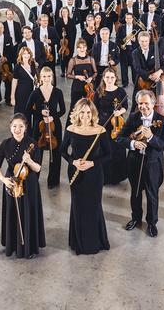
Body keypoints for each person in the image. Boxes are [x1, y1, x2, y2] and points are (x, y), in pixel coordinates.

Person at [116, 90, 164, 237]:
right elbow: (120, 138)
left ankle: (152, 223)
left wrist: (151, 137)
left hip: (153, 164)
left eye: (146, 103)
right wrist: (133, 143)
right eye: (140, 103)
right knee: (135, 192)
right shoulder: (133, 117)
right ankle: (136, 218)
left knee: (152, 194)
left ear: (153, 104)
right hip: (134, 161)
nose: (143, 106)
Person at [59, 99, 111, 255]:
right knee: (78, 206)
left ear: (93, 113)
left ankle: (94, 242)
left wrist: (92, 163)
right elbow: (62, 151)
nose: (85, 115)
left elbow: (108, 154)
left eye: (88, 112)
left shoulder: (100, 130)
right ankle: (78, 242)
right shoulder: (71, 129)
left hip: (94, 174)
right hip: (76, 172)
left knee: (94, 206)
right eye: (82, 112)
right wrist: (73, 161)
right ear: (77, 113)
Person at [0, 114, 45, 259]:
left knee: (28, 213)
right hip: (12, 183)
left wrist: (30, 161)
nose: (17, 129)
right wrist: (4, 180)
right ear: (10, 127)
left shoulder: (32, 143)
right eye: (14, 126)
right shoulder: (5, 144)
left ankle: (29, 248)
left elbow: (38, 168)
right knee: (13, 212)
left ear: (25, 128)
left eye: (21, 126)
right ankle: (13, 245)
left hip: (29, 184)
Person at [26, 67, 65, 188]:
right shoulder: (35, 92)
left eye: (49, 76)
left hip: (54, 126)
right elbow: (27, 109)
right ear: (40, 78)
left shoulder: (58, 92)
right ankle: (34, 178)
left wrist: (53, 117)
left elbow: (63, 110)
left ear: (52, 77)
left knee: (56, 153)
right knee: (37, 152)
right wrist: (40, 113)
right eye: (44, 76)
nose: (47, 79)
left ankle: (53, 181)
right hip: (39, 125)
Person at [92, 67, 128, 184]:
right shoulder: (99, 91)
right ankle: (104, 177)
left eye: (112, 77)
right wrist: (97, 121)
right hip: (103, 124)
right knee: (104, 150)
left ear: (115, 78)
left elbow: (125, 107)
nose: (109, 79)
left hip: (117, 125)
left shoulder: (121, 91)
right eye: (107, 77)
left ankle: (116, 178)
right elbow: (95, 109)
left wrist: (120, 112)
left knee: (117, 150)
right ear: (103, 78)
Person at [66, 39, 97, 112]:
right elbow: (68, 74)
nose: (82, 49)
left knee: (90, 106)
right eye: (80, 47)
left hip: (89, 86)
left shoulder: (91, 59)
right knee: (74, 107)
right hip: (77, 86)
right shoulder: (73, 60)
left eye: (83, 47)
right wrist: (77, 77)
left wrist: (91, 78)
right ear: (77, 49)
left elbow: (95, 72)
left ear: (86, 48)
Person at [11, 46, 38, 121]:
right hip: (21, 94)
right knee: (21, 114)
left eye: (28, 53)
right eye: (24, 53)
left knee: (29, 113)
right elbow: (14, 81)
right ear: (21, 55)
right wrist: (12, 97)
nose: (27, 55)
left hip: (31, 92)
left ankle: (29, 128)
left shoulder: (32, 64)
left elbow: (35, 77)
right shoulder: (17, 66)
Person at [116, 12, 139, 86]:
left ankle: (135, 82)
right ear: (125, 19)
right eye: (127, 18)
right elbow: (117, 39)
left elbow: (141, 40)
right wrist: (121, 45)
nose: (128, 20)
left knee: (134, 67)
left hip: (133, 49)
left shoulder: (137, 28)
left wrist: (135, 40)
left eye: (130, 18)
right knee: (123, 67)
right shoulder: (121, 27)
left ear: (132, 19)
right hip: (124, 49)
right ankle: (125, 82)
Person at [55, 6, 76, 77]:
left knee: (69, 57)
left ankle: (68, 71)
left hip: (70, 42)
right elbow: (56, 31)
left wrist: (72, 40)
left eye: (65, 11)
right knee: (62, 57)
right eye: (63, 12)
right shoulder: (58, 21)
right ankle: (62, 71)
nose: (64, 13)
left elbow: (74, 31)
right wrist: (61, 36)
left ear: (68, 12)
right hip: (61, 43)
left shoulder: (71, 21)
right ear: (61, 13)